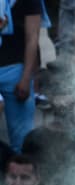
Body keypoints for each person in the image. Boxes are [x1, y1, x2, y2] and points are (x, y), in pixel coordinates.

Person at [0, 0, 45, 153]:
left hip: (15, 70)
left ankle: (20, 173)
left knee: (22, 141)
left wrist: (26, 78)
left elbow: (32, 37)